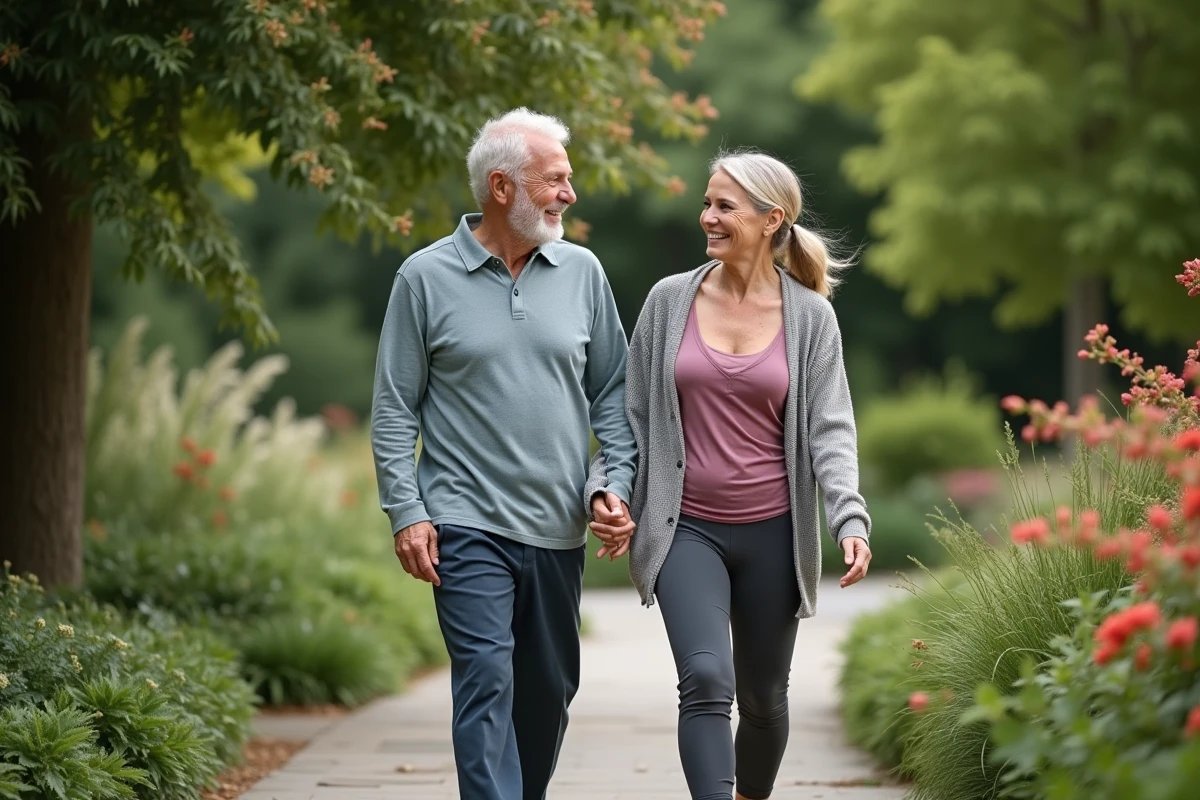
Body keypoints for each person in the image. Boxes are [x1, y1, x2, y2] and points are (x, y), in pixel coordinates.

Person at [586, 149, 873, 800]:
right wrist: (609, 490)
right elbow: (629, 416)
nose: (706, 216)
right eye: (707, 202)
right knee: (706, 681)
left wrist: (848, 517)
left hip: (774, 531)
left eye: (724, 206)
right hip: (687, 530)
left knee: (765, 699)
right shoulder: (668, 303)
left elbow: (830, 427)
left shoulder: (810, 317)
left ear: (772, 220)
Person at [370, 107, 637, 800]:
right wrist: (407, 512)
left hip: (555, 525)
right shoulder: (423, 279)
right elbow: (395, 407)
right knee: (485, 676)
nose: (569, 194)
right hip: (465, 522)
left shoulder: (583, 273)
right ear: (501, 186)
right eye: (556, 180)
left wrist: (615, 487)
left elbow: (614, 396)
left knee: (547, 694)